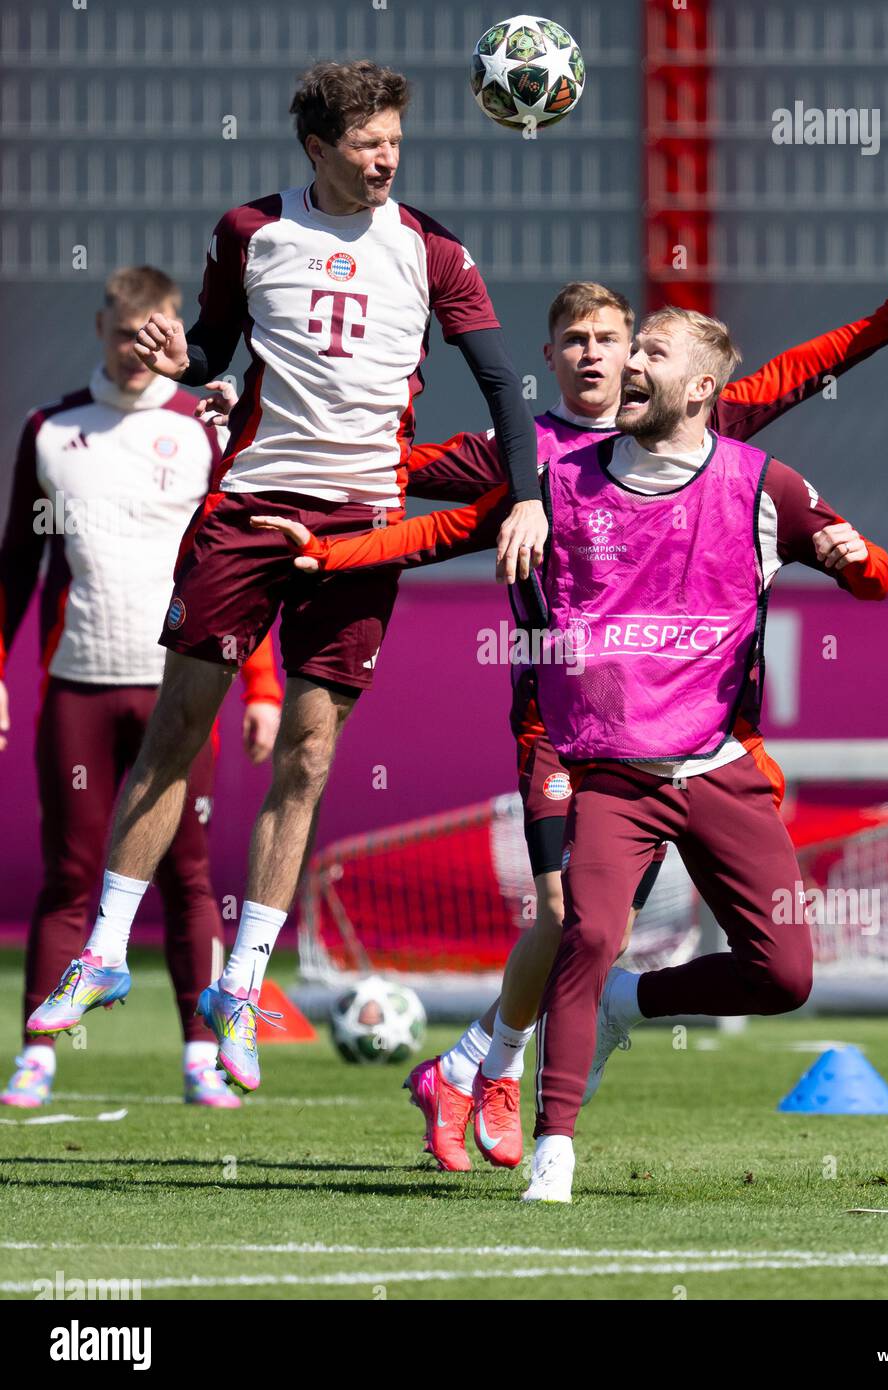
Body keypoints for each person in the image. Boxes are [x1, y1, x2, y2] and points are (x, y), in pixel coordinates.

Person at [253, 274, 888, 1180]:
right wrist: (319, 519)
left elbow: (793, 376)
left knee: (628, 937)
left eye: (621, 340)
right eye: (582, 339)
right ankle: (510, 1094)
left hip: (690, 735)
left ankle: (477, 1067)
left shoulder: (716, 451)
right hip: (561, 724)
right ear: (551, 357)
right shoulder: (533, 461)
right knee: (576, 919)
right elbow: (419, 494)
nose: (604, 355)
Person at [25, 61, 548, 1095]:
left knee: (308, 755)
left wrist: (524, 493)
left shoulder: (435, 250)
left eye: (395, 138)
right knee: (178, 730)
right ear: (317, 149)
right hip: (248, 513)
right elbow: (217, 353)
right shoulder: (247, 231)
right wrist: (193, 371)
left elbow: (500, 384)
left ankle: (244, 982)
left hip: (361, 531)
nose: (387, 155)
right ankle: (101, 955)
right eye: (367, 142)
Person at [0, 265, 281, 1109]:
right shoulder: (51, 429)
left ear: (173, 336)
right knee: (70, 873)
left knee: (189, 874)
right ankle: (39, 1056)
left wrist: (261, 684)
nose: (136, 351)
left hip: (182, 687)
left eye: (153, 336)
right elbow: (17, 561)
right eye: (124, 334)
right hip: (80, 687)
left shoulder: (202, 427)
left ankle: (200, 1053)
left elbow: (241, 561)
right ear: (103, 328)